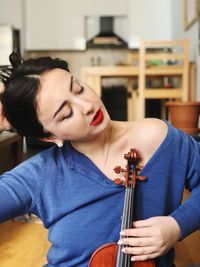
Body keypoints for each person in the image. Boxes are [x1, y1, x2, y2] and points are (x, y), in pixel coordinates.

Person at [0, 51, 199, 267]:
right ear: (50, 136)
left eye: (79, 89)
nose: (87, 106)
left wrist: (176, 225)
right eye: (66, 114)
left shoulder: (160, 139)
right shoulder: (39, 174)